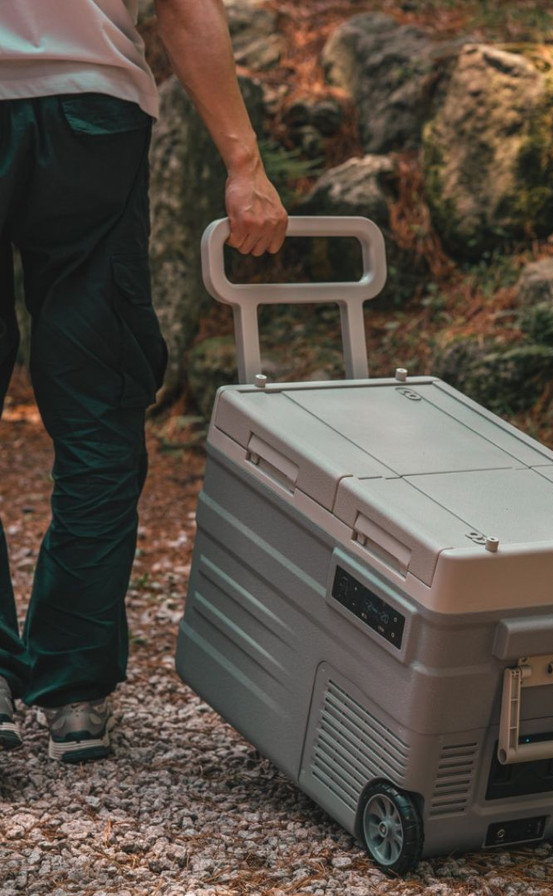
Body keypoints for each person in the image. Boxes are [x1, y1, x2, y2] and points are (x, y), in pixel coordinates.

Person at [0, 0, 288, 762]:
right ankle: (73, 690)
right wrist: (243, 164)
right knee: (98, 408)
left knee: (99, 416)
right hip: (92, 115)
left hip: (92, 113)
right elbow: (184, 8)